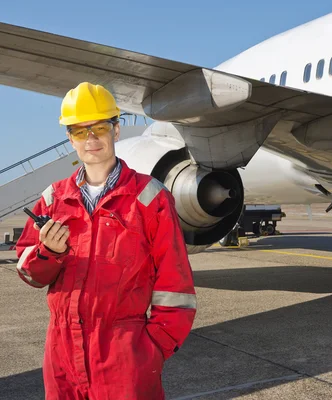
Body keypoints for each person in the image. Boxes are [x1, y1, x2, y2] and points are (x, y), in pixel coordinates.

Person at [15, 82, 197, 400]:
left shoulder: (149, 198)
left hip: (124, 358)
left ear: (116, 130)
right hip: (61, 357)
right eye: (80, 131)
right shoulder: (53, 198)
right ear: (70, 138)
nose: (92, 139)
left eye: (100, 127)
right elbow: (29, 273)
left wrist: (151, 350)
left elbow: (176, 287)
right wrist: (48, 252)